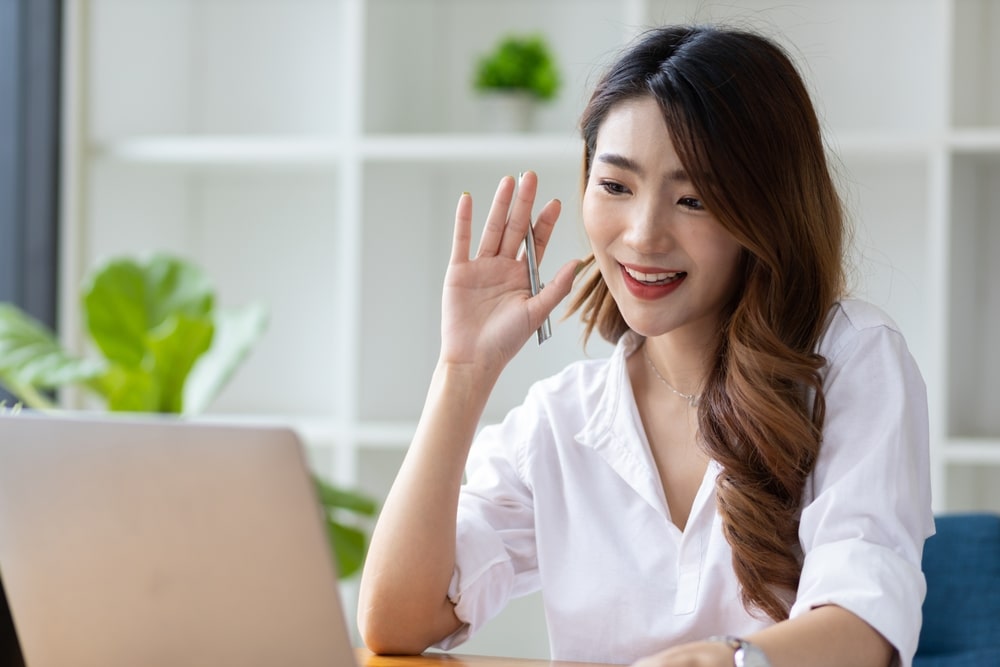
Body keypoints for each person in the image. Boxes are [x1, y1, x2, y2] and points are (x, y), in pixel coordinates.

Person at [357, 24, 933, 667]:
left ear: (765, 211)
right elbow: (397, 623)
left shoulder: (852, 360)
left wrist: (721, 660)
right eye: (615, 186)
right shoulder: (563, 420)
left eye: (693, 199)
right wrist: (461, 373)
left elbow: (864, 630)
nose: (642, 235)